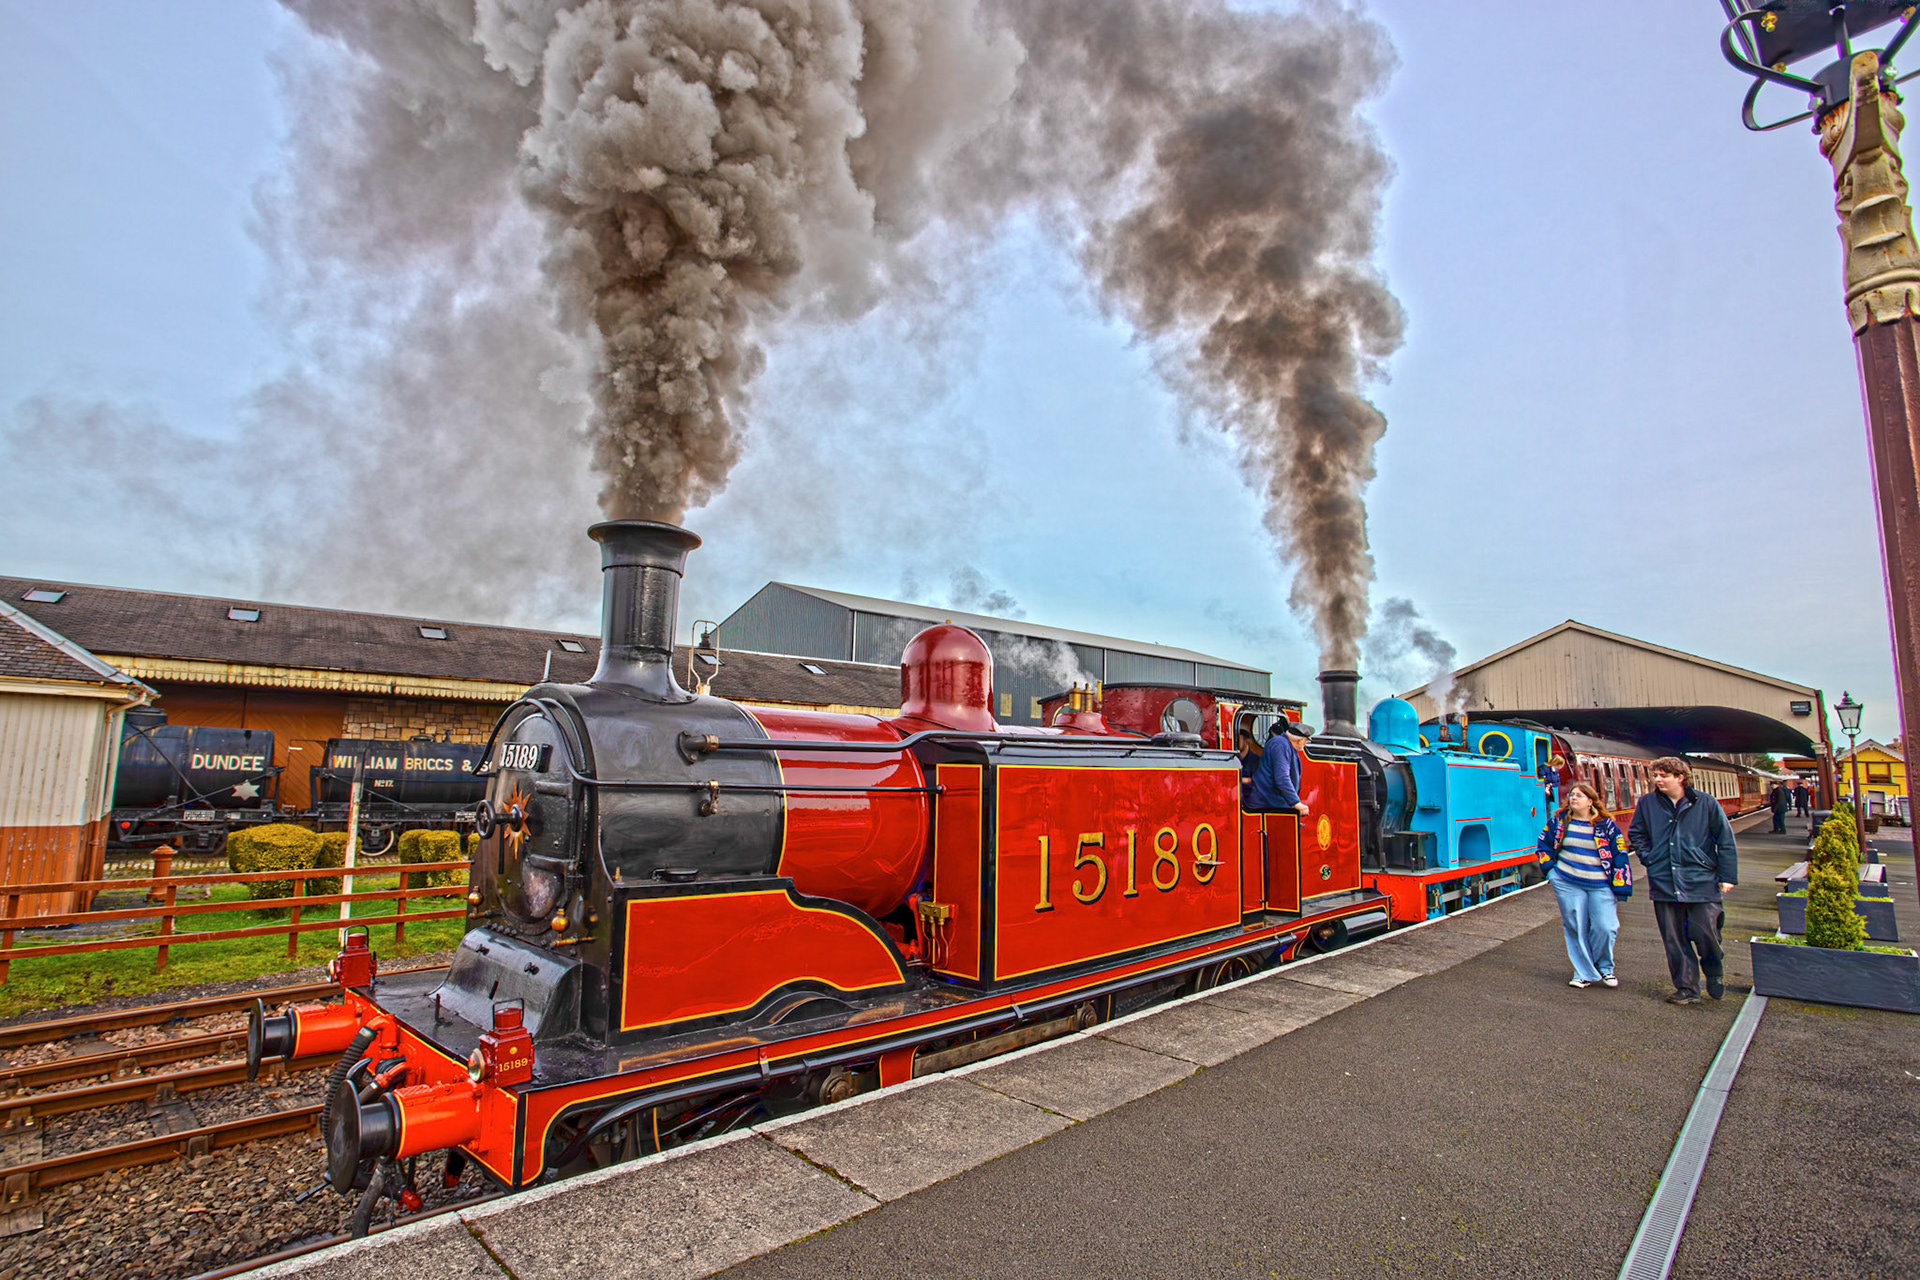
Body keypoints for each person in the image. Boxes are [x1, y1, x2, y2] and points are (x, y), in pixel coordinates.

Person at [1629, 757, 1739, 1005]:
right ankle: (1687, 987)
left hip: (1700, 878)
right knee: (1674, 939)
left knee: (1706, 933)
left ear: (1680, 777)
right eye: (1656, 775)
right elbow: (1637, 833)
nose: (1657, 779)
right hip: (1664, 879)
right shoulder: (1647, 803)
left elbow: (1724, 839)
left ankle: (1714, 971)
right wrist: (1650, 858)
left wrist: (1727, 876)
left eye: (1663, 775)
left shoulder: (1706, 802)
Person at [1536, 782, 1630, 989]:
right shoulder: (1559, 822)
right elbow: (1543, 844)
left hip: (1600, 884)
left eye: (1578, 795)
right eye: (1571, 795)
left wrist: (1620, 883)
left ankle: (1604, 967)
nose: (1573, 798)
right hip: (1568, 881)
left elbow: (1620, 854)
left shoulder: (1606, 825)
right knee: (1575, 927)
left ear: (1590, 801)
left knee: (1606, 927)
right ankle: (1583, 972)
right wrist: (1551, 872)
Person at [1245, 720, 1313, 815]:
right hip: (1266, 803)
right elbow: (1282, 777)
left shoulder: (1286, 745)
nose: (1305, 743)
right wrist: (1296, 803)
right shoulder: (1281, 745)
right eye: (1306, 740)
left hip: (1272, 802)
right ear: (1300, 740)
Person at [1235, 727, 1263, 805]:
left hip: (1251, 801)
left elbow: (1258, 781)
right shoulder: (1234, 759)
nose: (1235, 742)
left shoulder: (1256, 760)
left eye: (1238, 740)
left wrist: (1241, 779)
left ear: (1247, 741)